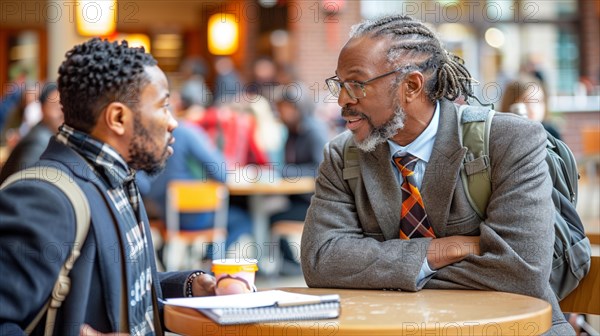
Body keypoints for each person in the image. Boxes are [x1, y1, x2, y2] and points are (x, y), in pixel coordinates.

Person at [300, 15, 574, 335]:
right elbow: (321, 262)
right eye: (340, 84)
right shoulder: (342, 155)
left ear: (411, 86)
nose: (342, 100)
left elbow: (520, 272)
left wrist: (380, 272)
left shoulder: (509, 140)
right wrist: (444, 249)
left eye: (357, 84)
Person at [0, 38, 216, 335]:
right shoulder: (45, 197)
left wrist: (191, 285)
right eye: (163, 106)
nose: (172, 122)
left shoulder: (119, 178)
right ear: (117, 118)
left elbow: (121, 287)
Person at [0, 83, 63, 183]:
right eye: (55, 107)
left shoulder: (48, 135)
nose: (61, 113)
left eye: (63, 107)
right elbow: (24, 187)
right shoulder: (38, 142)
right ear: (42, 109)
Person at [499, 75, 562, 140]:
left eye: (539, 101)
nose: (533, 108)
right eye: (526, 102)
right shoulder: (501, 135)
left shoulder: (552, 134)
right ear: (511, 104)